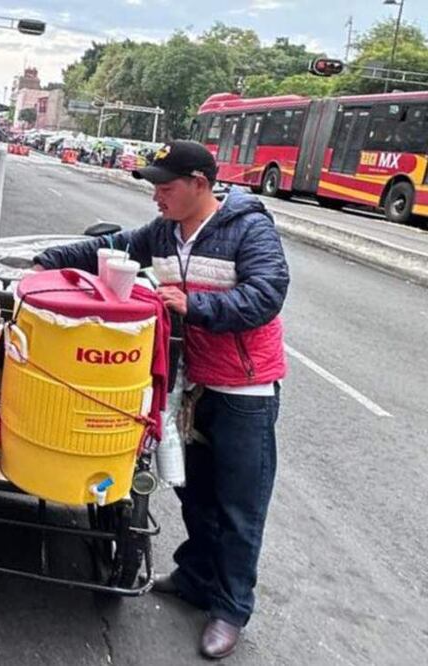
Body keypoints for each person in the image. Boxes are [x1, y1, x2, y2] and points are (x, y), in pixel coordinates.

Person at [32, 141, 288, 660]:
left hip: (245, 388)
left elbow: (268, 293)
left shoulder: (248, 227)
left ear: (200, 183)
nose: (157, 196)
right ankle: (195, 575)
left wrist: (194, 305)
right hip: (195, 386)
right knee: (193, 493)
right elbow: (111, 248)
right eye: (153, 187)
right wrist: (46, 262)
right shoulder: (165, 232)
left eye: (166, 187)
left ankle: (231, 608)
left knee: (240, 507)